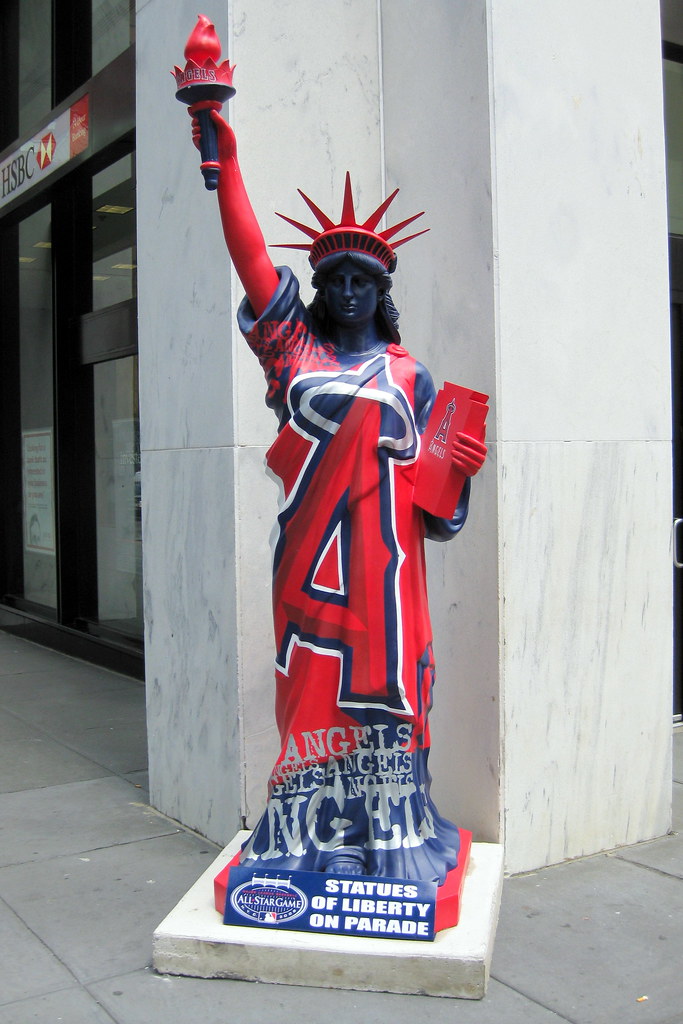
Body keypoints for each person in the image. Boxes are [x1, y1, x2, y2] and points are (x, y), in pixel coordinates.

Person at [191, 111, 486, 883]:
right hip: (311, 567)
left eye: (364, 281)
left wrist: (459, 465)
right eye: (336, 280)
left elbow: (435, 504)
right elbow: (251, 257)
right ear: (319, 291)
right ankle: (304, 838)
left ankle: (392, 838)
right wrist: (222, 159)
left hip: (387, 577)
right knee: (312, 696)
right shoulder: (294, 357)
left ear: (382, 291)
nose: (350, 291)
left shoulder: (411, 376)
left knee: (386, 694)